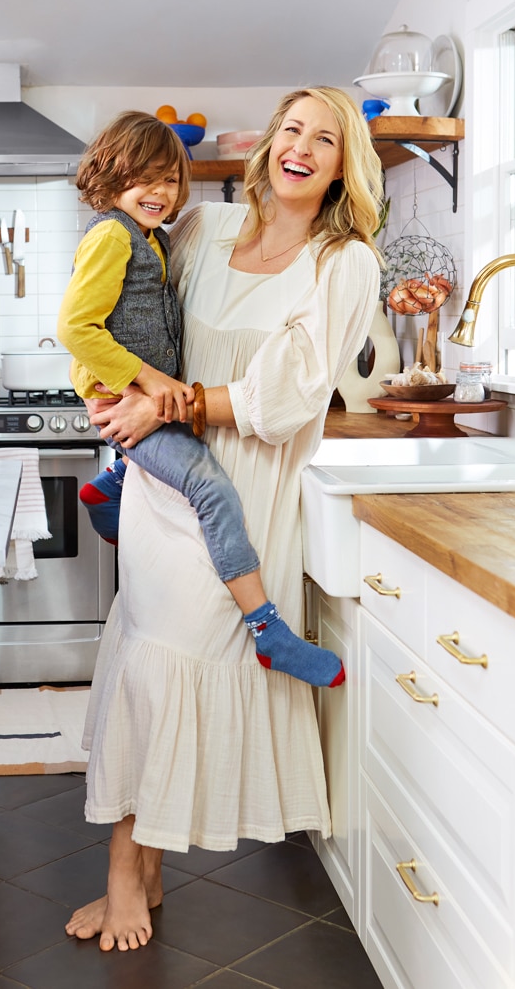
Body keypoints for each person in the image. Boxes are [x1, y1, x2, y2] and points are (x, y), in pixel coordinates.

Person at [64, 86, 384, 952]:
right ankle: (138, 870)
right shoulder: (203, 229)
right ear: (269, 142)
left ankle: (131, 872)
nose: (301, 147)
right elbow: (131, 320)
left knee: (179, 663)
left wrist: (164, 405)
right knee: (149, 658)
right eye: (292, 129)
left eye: (325, 139)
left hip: (239, 494)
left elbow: (287, 397)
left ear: (344, 166)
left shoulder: (344, 262)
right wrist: (118, 396)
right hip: (164, 479)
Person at [57, 110, 343, 688]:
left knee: (178, 455)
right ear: (109, 177)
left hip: (137, 396)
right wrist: (149, 382)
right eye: (143, 178)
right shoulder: (112, 235)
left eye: (169, 179)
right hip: (130, 394)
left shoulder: (154, 237)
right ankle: (268, 630)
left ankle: (110, 485)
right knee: (212, 490)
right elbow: (75, 327)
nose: (160, 192)